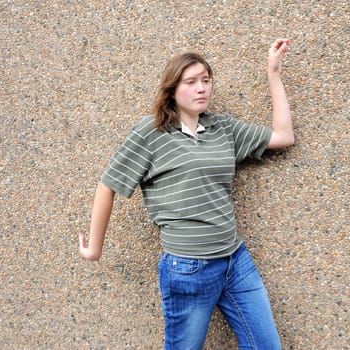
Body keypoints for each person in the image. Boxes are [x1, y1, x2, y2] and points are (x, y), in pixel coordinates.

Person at [79, 38, 294, 350]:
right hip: (189, 268)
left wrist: (273, 74)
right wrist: (95, 249)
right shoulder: (151, 133)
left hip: (235, 261)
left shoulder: (222, 128)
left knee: (267, 346)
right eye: (191, 82)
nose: (201, 88)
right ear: (172, 90)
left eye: (205, 81)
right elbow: (108, 185)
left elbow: (283, 136)